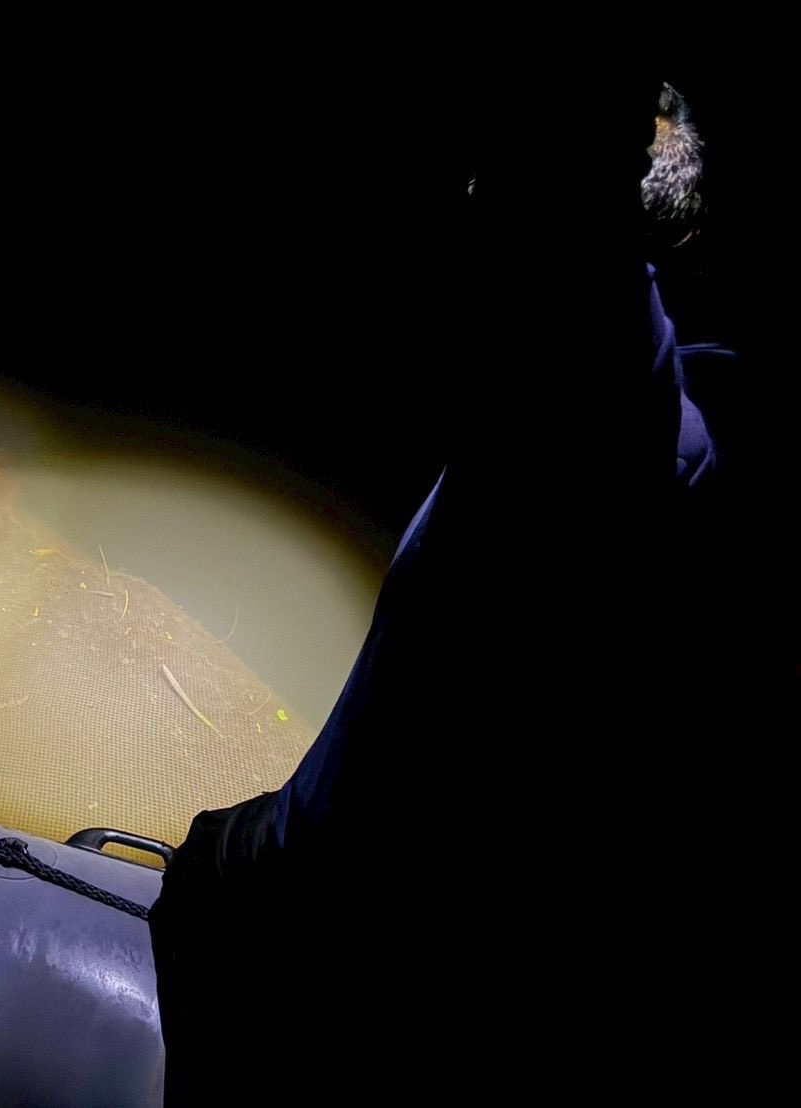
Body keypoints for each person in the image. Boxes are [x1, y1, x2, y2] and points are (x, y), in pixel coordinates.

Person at [148, 74, 750, 1102]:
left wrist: (227, 868)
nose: (470, 218)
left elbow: (573, 212)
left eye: (497, 200)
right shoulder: (637, 443)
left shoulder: (597, 437)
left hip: (354, 973)